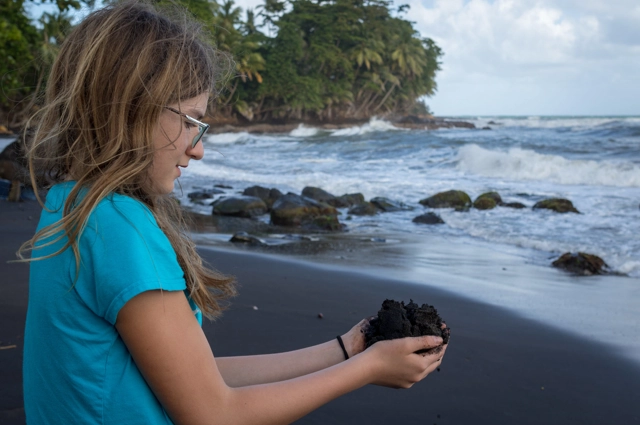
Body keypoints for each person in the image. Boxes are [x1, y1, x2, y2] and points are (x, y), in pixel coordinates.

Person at [19, 1, 448, 424]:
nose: (198, 148)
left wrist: (347, 349)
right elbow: (212, 413)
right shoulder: (120, 228)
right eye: (190, 121)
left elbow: (198, 381)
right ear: (131, 107)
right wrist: (368, 369)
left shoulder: (70, 203)